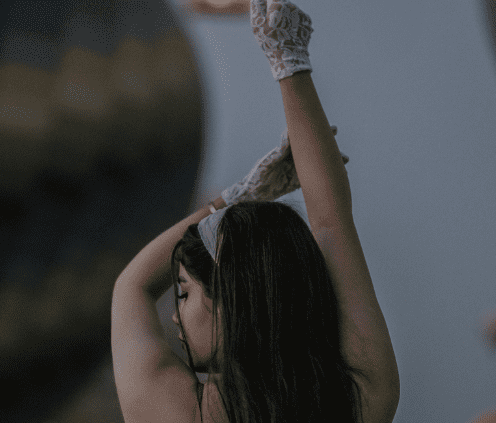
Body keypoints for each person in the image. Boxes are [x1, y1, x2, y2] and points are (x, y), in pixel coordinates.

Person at [110, 0, 400, 422]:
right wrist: (289, 61)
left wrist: (237, 195)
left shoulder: (182, 414)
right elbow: (330, 225)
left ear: (232, 297)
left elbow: (131, 286)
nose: (174, 314)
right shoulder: (358, 396)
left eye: (186, 292)